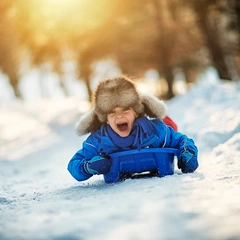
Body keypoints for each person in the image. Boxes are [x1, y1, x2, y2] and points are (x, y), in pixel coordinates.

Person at [68, 76, 198, 182]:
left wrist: (188, 153)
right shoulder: (99, 141)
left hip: (155, 131)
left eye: (125, 110)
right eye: (112, 113)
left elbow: (182, 140)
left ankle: (168, 121)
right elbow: (74, 164)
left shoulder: (154, 131)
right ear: (105, 119)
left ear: (136, 112)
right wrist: (88, 167)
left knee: (169, 126)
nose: (120, 116)